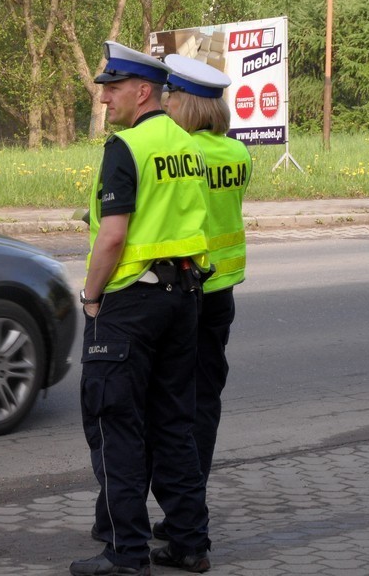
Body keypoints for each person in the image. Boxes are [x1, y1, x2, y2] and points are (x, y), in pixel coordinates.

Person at [70, 41, 212, 576]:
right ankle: (190, 543)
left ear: (143, 90)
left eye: (113, 88)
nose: (105, 99)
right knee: (174, 423)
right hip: (182, 298)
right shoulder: (187, 144)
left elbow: (112, 237)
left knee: (115, 426)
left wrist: (90, 297)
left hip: (129, 303)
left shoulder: (125, 148)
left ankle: (126, 554)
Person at [151, 54, 252, 540]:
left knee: (171, 406)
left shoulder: (186, 155)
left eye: (172, 98)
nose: (166, 104)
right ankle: (194, 498)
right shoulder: (238, 154)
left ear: (186, 107)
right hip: (224, 292)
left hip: (189, 289)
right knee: (205, 401)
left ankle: (179, 512)